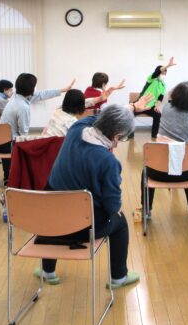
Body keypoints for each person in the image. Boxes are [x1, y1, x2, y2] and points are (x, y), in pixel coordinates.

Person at [37, 97, 151, 287]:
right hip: (82, 228)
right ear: (116, 136)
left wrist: (130, 107)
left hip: (51, 219)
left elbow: (99, 117)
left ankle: (47, 271)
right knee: (120, 222)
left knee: (56, 204)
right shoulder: (108, 161)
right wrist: (115, 209)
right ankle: (119, 277)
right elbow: (113, 205)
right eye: (121, 138)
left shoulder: (76, 129)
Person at [142, 81, 188, 217]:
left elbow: (169, 96)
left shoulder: (166, 109)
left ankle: (146, 211)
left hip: (157, 172)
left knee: (145, 172)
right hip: (187, 174)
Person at [0, 74, 74, 180]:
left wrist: (63, 90)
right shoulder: (23, 107)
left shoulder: (16, 96)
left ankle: (8, 176)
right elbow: (23, 135)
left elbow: (41, 94)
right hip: (7, 144)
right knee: (41, 146)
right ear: (31, 89)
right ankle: (23, 176)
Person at [44, 84, 123, 137]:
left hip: (42, 141)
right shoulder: (73, 123)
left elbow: (85, 102)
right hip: (53, 149)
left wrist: (100, 98)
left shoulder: (59, 109)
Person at [134, 57, 176, 140]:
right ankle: (129, 134)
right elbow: (157, 72)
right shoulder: (151, 79)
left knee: (158, 115)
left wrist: (157, 105)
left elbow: (160, 97)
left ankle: (154, 136)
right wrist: (168, 65)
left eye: (165, 73)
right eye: (163, 72)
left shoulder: (163, 85)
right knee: (130, 113)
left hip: (150, 106)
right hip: (140, 104)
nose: (164, 74)